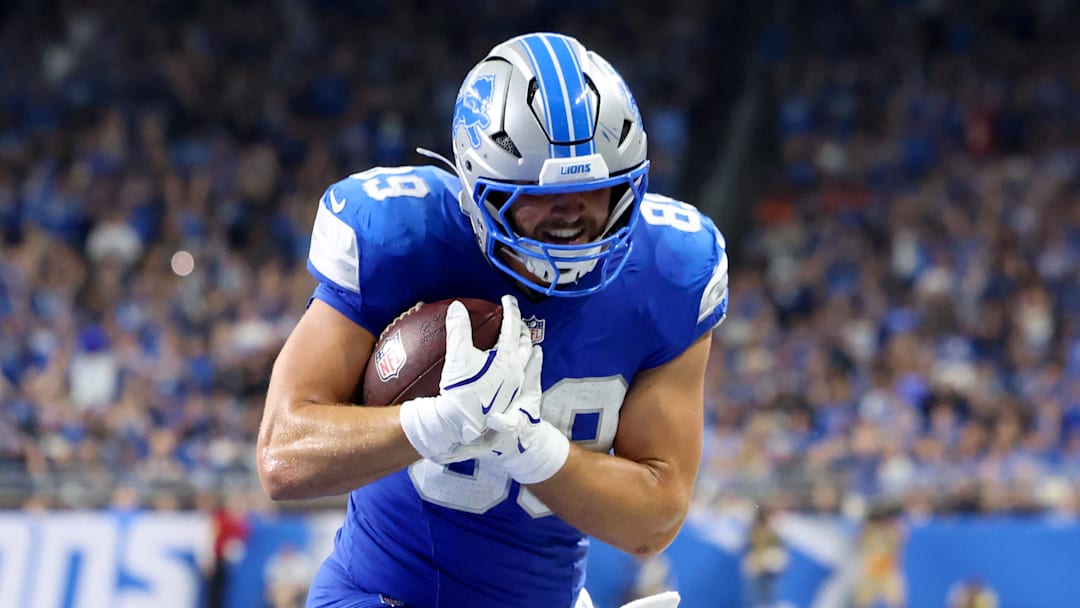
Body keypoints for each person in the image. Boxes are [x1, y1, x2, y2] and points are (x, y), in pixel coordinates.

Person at [257, 32, 729, 608]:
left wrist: (534, 450)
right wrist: (434, 422)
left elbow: (654, 521)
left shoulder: (671, 270)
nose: (572, 213)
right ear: (476, 187)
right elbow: (283, 456)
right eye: (538, 194)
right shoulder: (405, 239)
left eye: (595, 190)